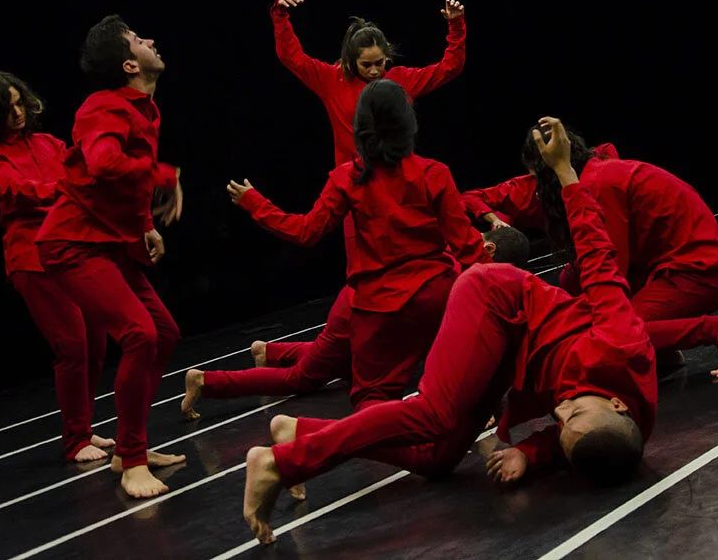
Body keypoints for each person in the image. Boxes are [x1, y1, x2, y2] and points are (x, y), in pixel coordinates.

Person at [240, 117, 658, 544]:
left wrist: (529, 455)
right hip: (498, 298)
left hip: (514, 352)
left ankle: (302, 430)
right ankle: (280, 462)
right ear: (617, 403)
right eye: (574, 412)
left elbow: (568, 440)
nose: (562, 409)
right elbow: (598, 258)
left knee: (437, 459)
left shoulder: (602, 435)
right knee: (432, 413)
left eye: (564, 421)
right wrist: (566, 172)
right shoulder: (622, 344)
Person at [219, 80, 491, 424]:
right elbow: (469, 248)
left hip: (377, 307)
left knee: (369, 399)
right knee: (458, 369)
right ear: (408, 124)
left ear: (359, 128)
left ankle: (303, 436)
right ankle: (475, 409)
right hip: (433, 296)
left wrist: (255, 204)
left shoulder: (348, 178)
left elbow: (306, 232)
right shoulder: (434, 173)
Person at [34, 15, 186, 498]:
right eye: (140, 40)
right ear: (128, 63)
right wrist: (165, 174)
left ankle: (126, 446)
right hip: (73, 244)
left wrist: (145, 226)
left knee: (163, 332)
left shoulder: (143, 108)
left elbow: (118, 186)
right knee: (139, 334)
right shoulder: (104, 107)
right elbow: (103, 164)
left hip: (111, 243)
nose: (151, 40)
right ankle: (133, 460)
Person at [179, 226, 531, 417]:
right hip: (359, 310)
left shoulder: (460, 249)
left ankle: (270, 351)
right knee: (303, 379)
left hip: (375, 312)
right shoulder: (462, 268)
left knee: (343, 363)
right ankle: (206, 381)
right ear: (491, 253)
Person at [0, 70, 114, 463]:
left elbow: (83, 171)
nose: (16, 113)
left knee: (96, 341)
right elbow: (21, 192)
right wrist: (70, 190)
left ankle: (85, 427)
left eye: (18, 103)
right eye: (5, 107)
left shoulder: (49, 143)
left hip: (75, 249)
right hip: (32, 258)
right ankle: (75, 439)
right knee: (72, 343)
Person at [520, 126, 718, 377]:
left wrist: (564, 325)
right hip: (669, 267)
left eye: (536, 181)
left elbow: (611, 269)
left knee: (612, 331)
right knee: (570, 279)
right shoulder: (597, 172)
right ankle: (664, 349)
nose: (537, 192)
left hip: (701, 273)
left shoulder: (600, 186)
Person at [272, 0, 467, 168]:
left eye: (379, 63)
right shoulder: (332, 79)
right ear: (351, 61)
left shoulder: (401, 80)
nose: (374, 71)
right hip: (352, 181)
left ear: (387, 57)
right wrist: (280, 16)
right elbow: (292, 58)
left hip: (396, 179)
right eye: (366, 65)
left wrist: (456, 26)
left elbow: (449, 68)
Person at [461, 144, 619, 231]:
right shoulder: (521, 189)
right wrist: (495, 220)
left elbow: (606, 149)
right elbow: (469, 197)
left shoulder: (585, 167)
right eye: (537, 176)